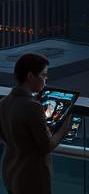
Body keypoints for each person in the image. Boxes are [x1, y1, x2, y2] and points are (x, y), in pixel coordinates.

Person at [0, 53, 73, 194]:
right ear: (30, 77)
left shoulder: (3, 103)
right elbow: (47, 146)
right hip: (32, 180)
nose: (46, 79)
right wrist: (64, 129)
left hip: (9, 174)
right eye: (43, 75)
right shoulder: (33, 108)